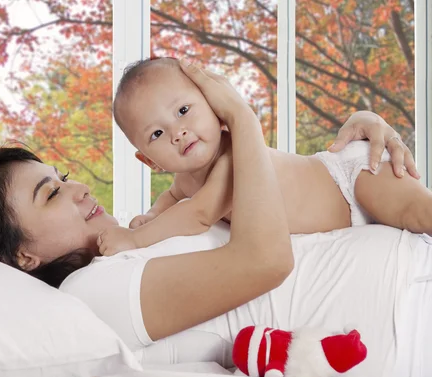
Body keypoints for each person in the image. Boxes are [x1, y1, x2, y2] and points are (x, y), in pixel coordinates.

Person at [0, 62, 428, 377]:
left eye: (61, 175)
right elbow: (265, 258)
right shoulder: (91, 291)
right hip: (407, 308)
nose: (79, 186)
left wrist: (364, 131)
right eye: (52, 192)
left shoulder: (128, 242)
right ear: (21, 255)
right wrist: (242, 118)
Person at [99, 57, 429, 256]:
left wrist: (135, 238)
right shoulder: (185, 179)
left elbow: (198, 213)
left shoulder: (234, 154)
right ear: (149, 161)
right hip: (343, 212)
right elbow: (173, 197)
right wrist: (154, 214)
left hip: (350, 178)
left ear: (216, 105)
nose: (177, 132)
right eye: (157, 134)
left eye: (183, 110)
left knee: (417, 214)